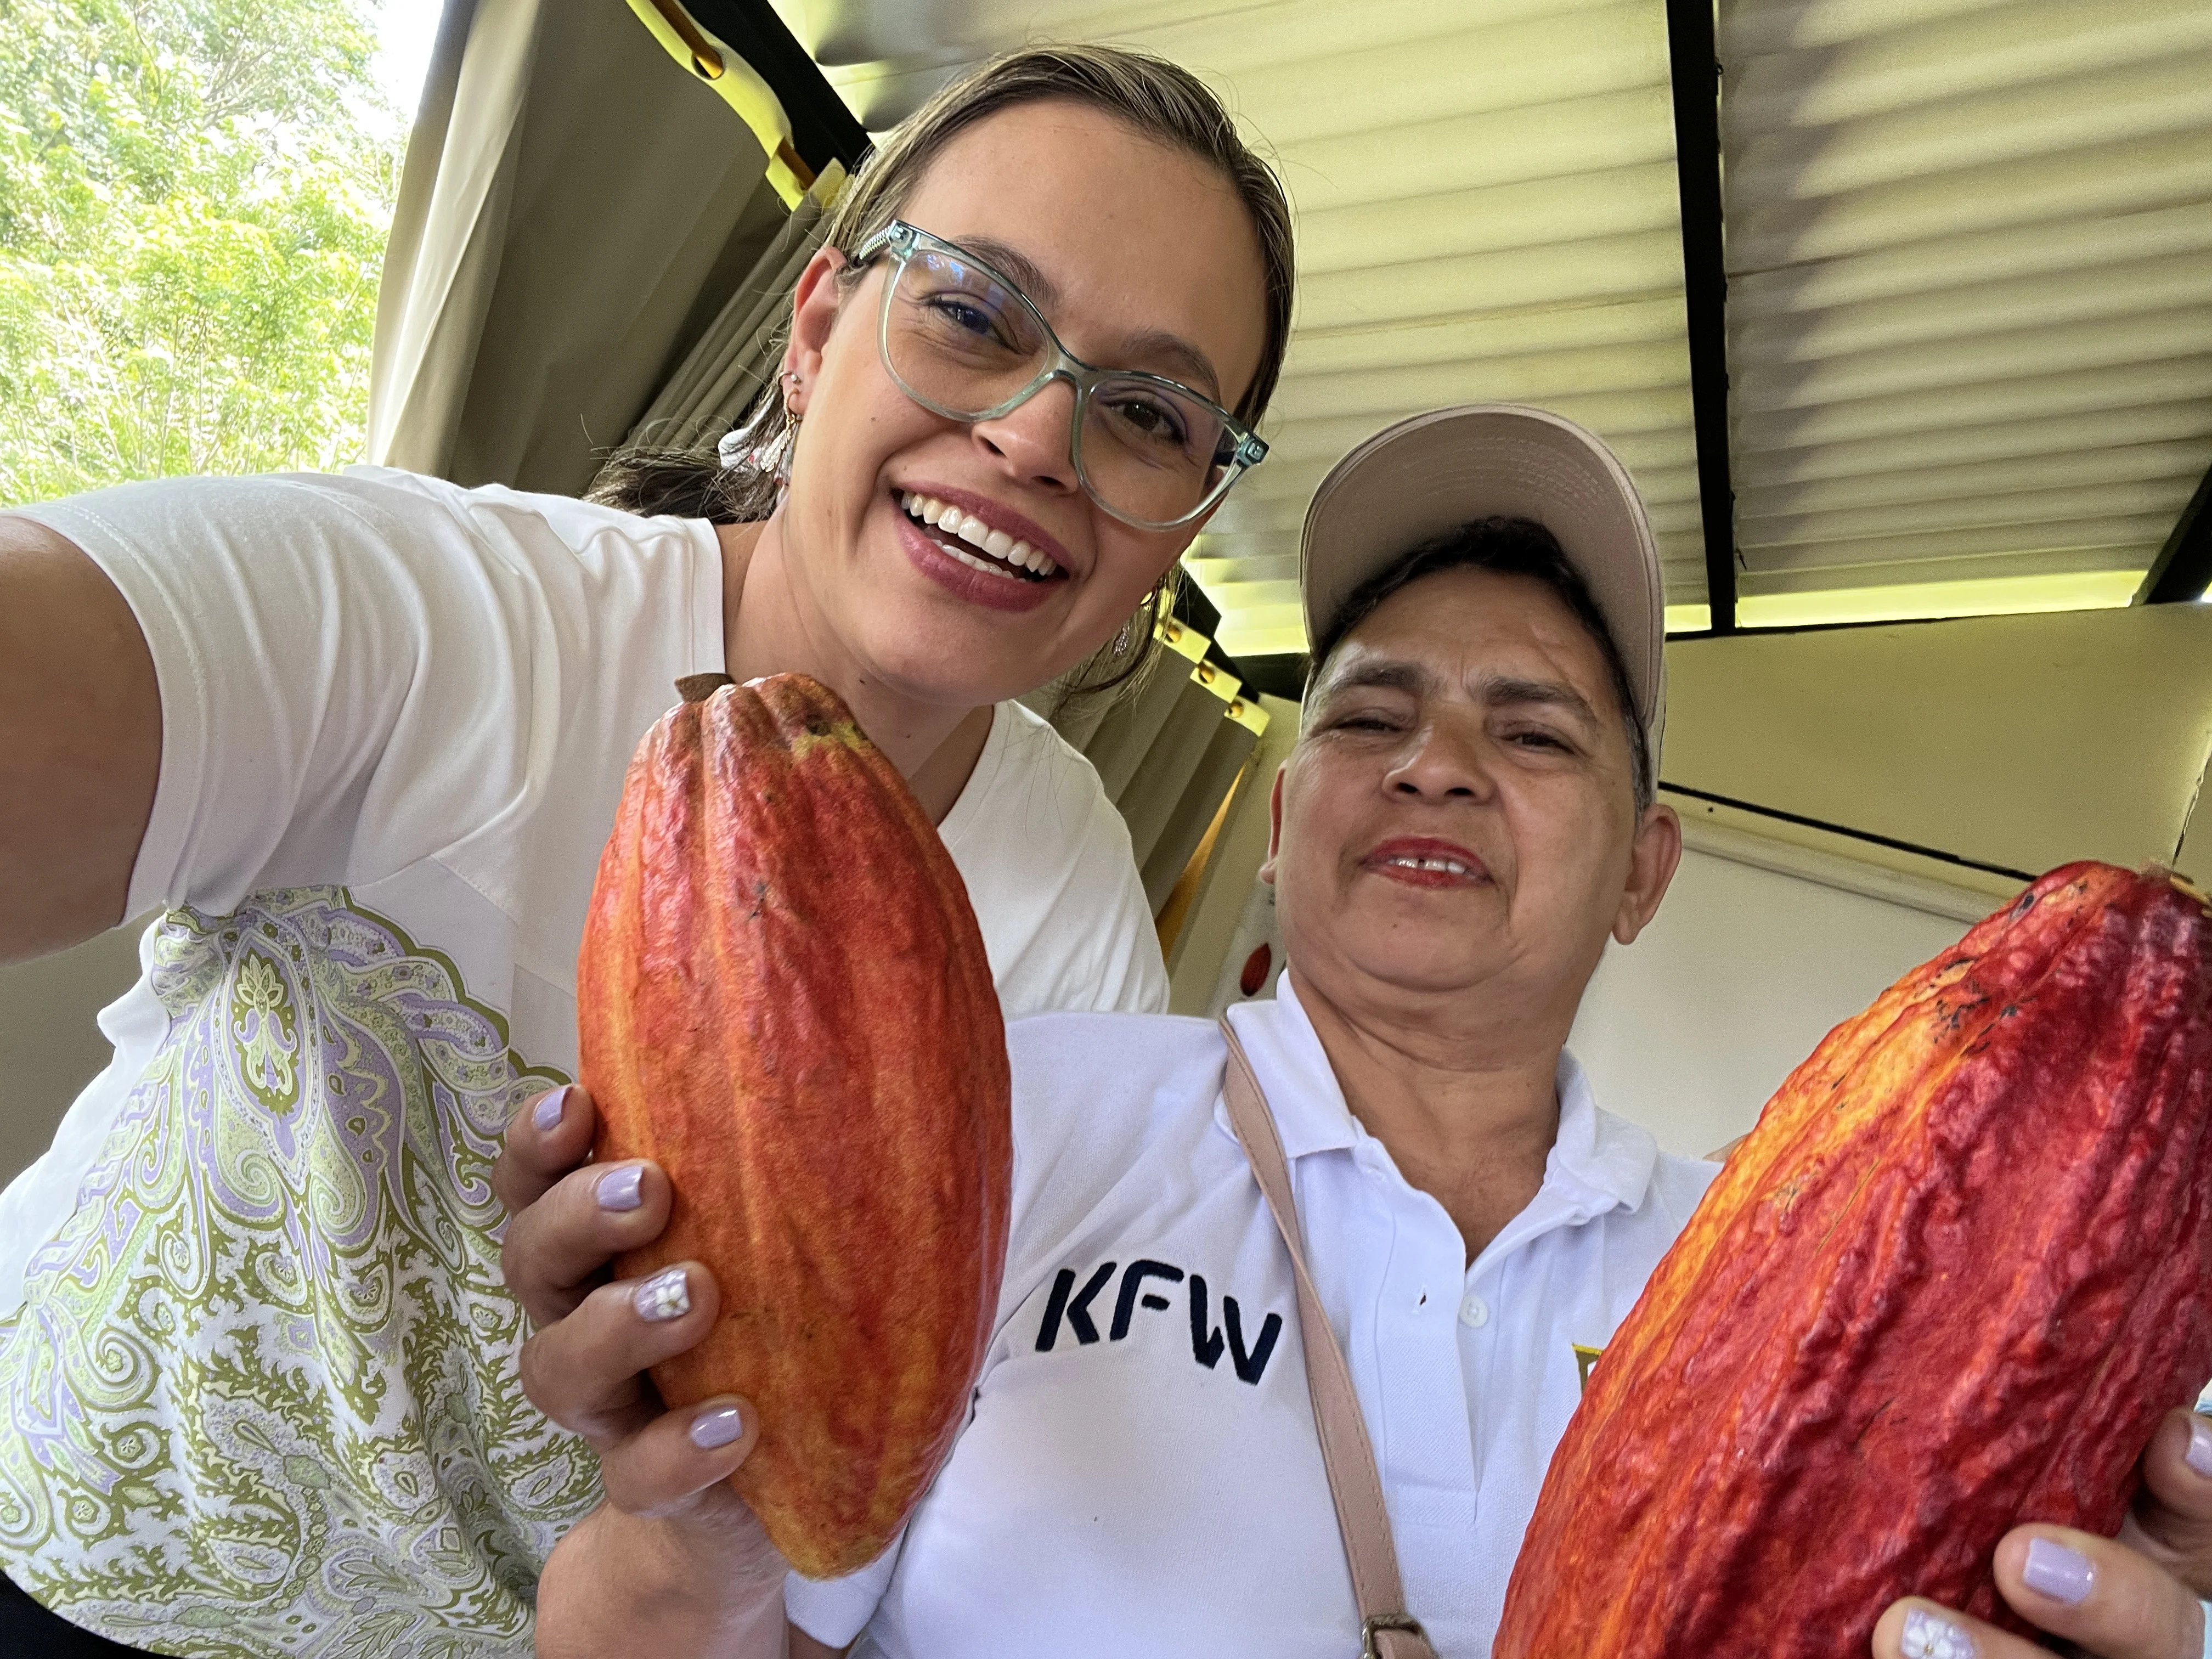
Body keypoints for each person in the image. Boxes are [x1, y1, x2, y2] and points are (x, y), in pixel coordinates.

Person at [501, 405, 2212, 1658]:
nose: (1433, 762)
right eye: (1369, 712)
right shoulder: (1017, 1120)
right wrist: (700, 1522)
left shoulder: (1780, 1271)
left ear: (1644, 873)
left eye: (1534, 736)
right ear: (1276, 824)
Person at [0, 44, 1296, 1655]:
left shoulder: (1073, 909)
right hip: (63, 1574)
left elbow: (888, 1514)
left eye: (1152, 413)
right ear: (819, 332)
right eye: (974, 313)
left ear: (1178, 525)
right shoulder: (448, 618)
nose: (1042, 440)